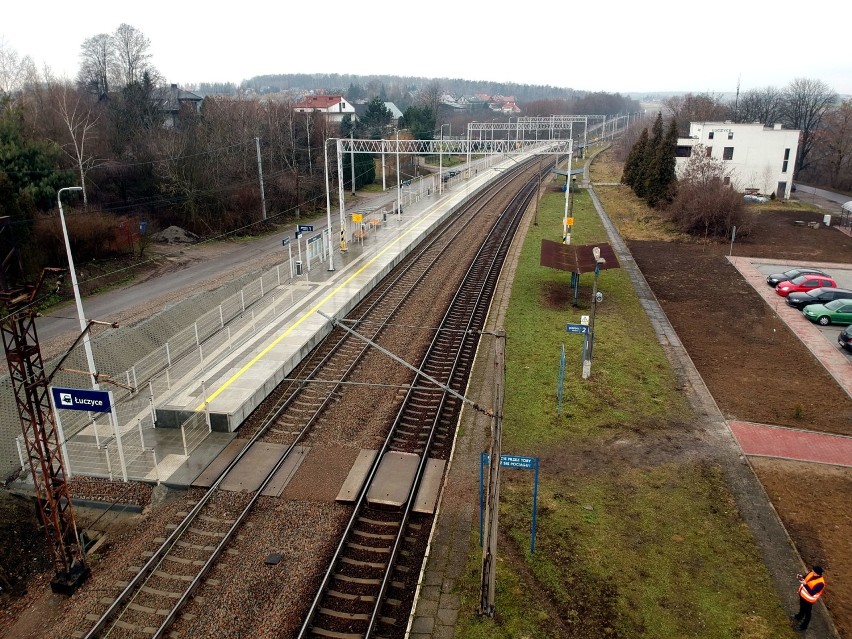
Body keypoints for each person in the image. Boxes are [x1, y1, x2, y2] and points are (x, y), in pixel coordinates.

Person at [792, 565, 826, 631]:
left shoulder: (821, 583)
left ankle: (804, 626)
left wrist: (805, 584)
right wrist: (801, 577)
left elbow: (812, 593)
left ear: (817, 573)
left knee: (807, 613)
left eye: (813, 572)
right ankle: (799, 616)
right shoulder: (812, 573)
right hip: (802, 595)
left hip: (808, 600)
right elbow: (806, 576)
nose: (811, 572)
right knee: (802, 607)